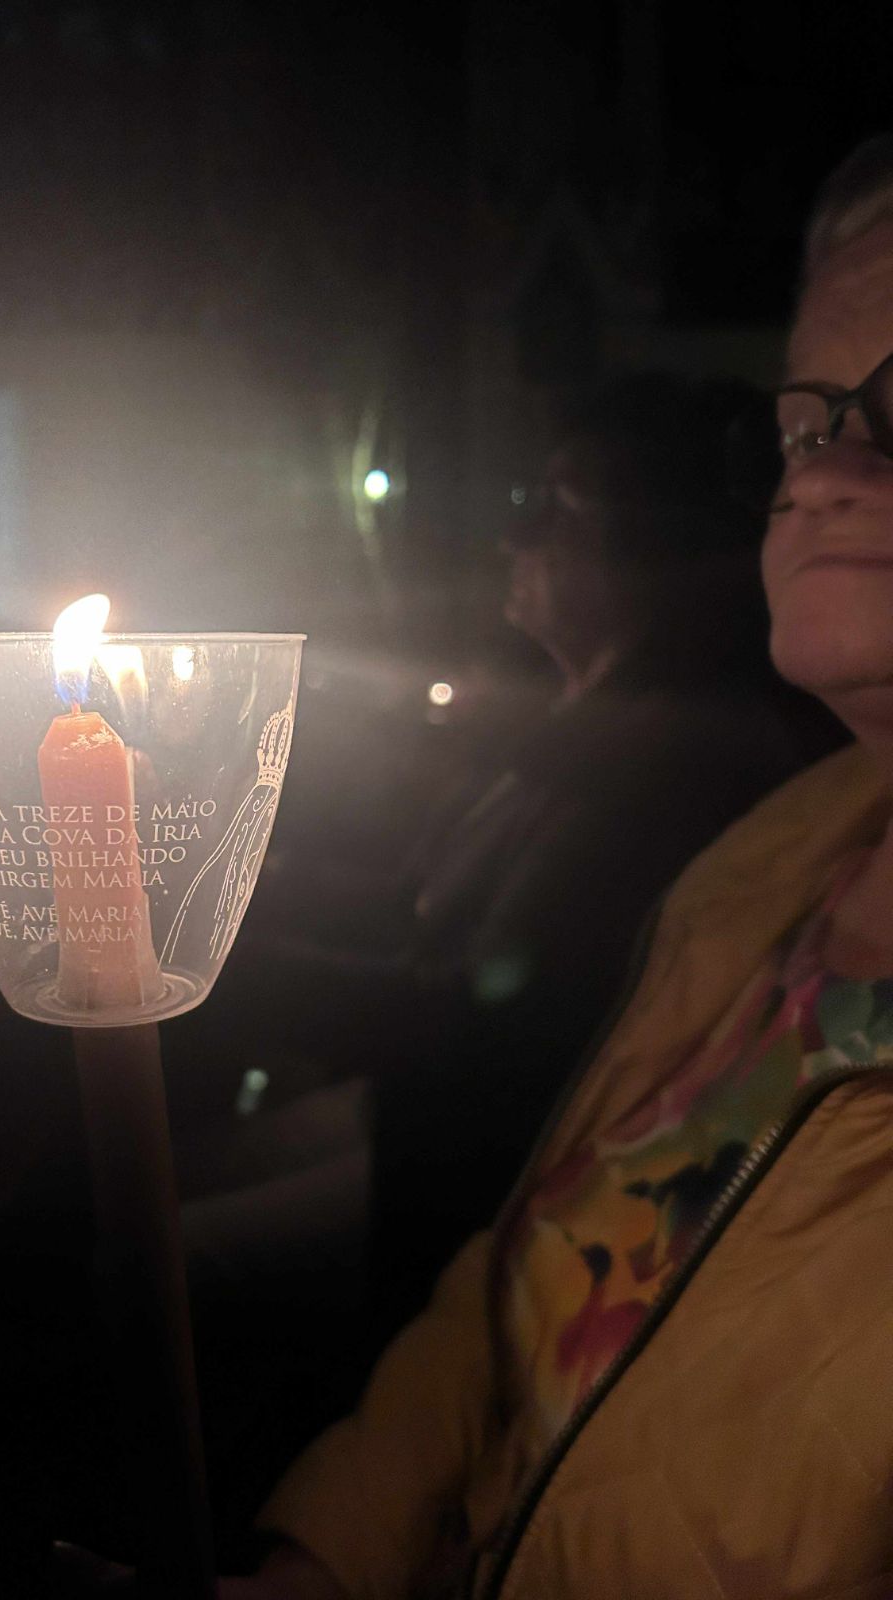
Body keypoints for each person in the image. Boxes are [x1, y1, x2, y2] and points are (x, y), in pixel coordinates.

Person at [238, 132, 893, 1598]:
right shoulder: (770, 867)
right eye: (808, 423)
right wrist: (326, 1557)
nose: (827, 473)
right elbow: (537, 1256)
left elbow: (468, 1019)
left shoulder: (679, 765)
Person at [367, 370, 842, 1343]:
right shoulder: (580, 725)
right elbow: (419, 914)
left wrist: (244, 976)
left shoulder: (670, 766)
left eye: (560, 510)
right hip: (416, 1131)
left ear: (659, 552)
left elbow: (491, 1033)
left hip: (509, 1205)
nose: (515, 539)